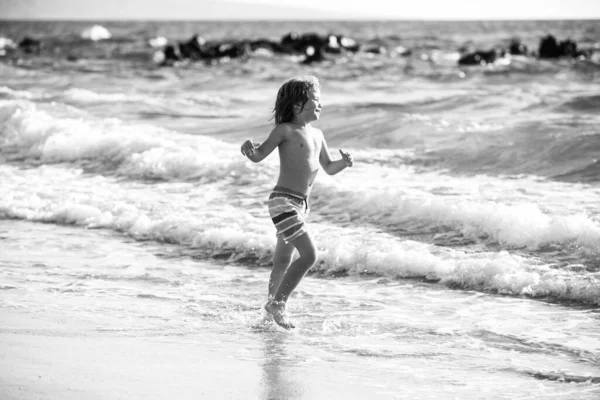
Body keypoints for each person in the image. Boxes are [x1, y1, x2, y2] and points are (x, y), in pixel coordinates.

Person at [240, 75, 353, 329]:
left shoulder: (318, 134)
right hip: (283, 202)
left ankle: (269, 312)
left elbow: (328, 167)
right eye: (315, 100)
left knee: (282, 260)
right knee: (309, 255)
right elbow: (259, 155)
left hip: (301, 206)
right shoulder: (285, 131)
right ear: (297, 105)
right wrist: (249, 150)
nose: (320, 105)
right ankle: (278, 303)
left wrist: (343, 164)